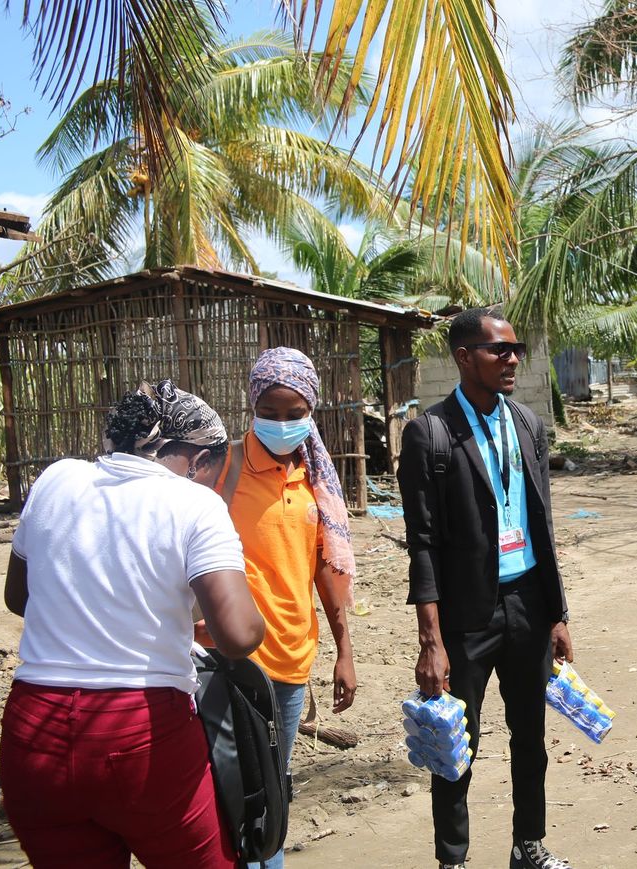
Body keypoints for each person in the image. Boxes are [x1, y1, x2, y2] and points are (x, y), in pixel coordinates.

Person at [0, 382, 265, 868]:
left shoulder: (56, 479)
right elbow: (238, 635)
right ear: (199, 459)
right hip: (141, 732)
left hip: (33, 733)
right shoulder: (193, 503)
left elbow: (19, 598)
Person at [397, 307, 574, 869]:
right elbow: (421, 541)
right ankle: (453, 859)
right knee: (455, 747)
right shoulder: (430, 433)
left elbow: (542, 523)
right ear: (464, 356)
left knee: (531, 739)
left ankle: (529, 846)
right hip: (464, 614)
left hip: (526, 603)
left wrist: (557, 613)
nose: (512, 359)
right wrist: (432, 640)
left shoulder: (525, 422)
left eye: (516, 349)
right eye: (499, 350)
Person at [217, 347, 358, 869]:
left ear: (311, 411)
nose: (282, 423)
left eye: (295, 414)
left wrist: (345, 650)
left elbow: (327, 570)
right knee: (229, 791)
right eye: (270, 412)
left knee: (272, 793)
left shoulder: (315, 480)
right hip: (226, 660)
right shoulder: (223, 467)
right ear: (252, 406)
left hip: (292, 658)